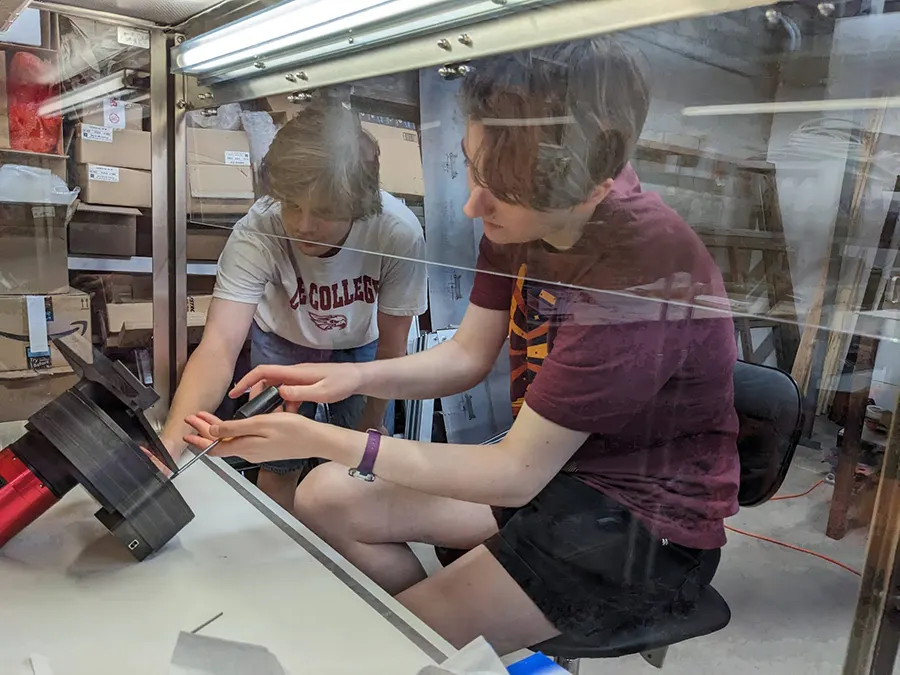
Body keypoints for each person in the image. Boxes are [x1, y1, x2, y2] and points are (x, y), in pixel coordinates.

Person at [183, 38, 740, 655]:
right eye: (474, 169)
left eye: (497, 191)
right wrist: (351, 378)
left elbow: (511, 473)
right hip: (556, 474)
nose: (475, 204)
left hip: (633, 522)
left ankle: (427, 641)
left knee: (375, 648)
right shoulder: (527, 197)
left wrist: (317, 437)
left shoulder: (639, 269)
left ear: (586, 189)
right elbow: (466, 356)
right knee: (324, 497)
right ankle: (439, 639)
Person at [160, 99, 427, 511]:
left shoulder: (397, 233)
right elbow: (218, 347)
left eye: (324, 212)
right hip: (283, 345)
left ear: (358, 207)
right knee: (278, 465)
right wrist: (169, 447)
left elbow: (393, 350)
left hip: (361, 353)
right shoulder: (258, 229)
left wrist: (369, 429)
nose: (303, 225)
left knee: (355, 467)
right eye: (292, 206)